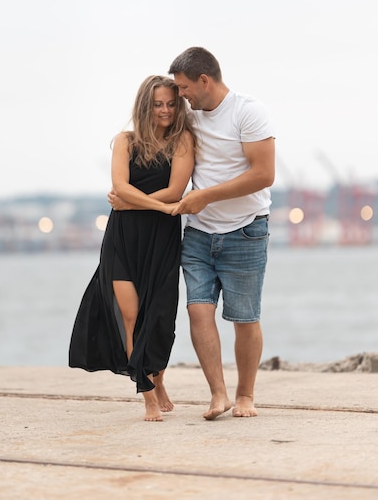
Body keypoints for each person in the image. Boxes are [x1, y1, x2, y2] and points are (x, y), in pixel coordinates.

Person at [69, 75, 195, 422]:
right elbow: (119, 186)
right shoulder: (124, 141)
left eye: (171, 103)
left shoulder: (183, 140)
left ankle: (158, 376)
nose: (166, 110)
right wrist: (155, 206)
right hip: (122, 238)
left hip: (162, 239)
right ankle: (147, 393)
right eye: (158, 104)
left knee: (159, 317)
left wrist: (137, 203)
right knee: (130, 316)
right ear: (145, 106)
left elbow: (175, 191)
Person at [168, 47, 275, 420]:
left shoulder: (249, 112)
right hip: (198, 234)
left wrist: (205, 196)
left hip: (245, 231)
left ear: (204, 80)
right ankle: (218, 395)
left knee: (245, 318)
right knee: (198, 311)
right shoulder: (190, 118)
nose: (180, 95)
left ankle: (245, 395)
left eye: (183, 88)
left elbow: (264, 175)